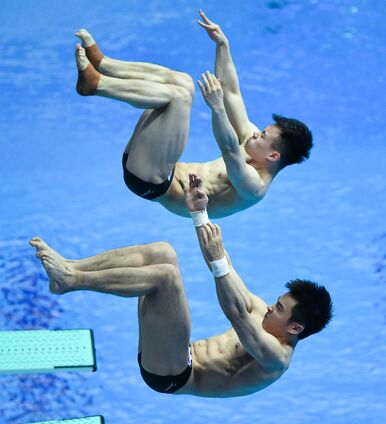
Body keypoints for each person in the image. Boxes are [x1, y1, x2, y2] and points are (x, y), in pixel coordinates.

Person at [29, 174, 333, 398]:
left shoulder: (275, 358)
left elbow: (236, 315)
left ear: (295, 328)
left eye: (279, 308)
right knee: (162, 252)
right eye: (276, 301)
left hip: (173, 374)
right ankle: (70, 267)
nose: (269, 306)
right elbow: (222, 258)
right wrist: (198, 212)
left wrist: (217, 263)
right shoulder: (263, 314)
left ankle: (72, 281)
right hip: (171, 351)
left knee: (166, 277)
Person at [74, 9, 313, 218]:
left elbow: (229, 150)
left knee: (178, 98)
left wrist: (216, 107)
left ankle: (96, 85)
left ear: (273, 156)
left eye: (262, 136)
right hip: (151, 162)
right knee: (184, 82)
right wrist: (222, 45)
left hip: (151, 183)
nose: (254, 134)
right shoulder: (254, 146)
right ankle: (104, 64)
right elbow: (232, 93)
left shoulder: (253, 187)